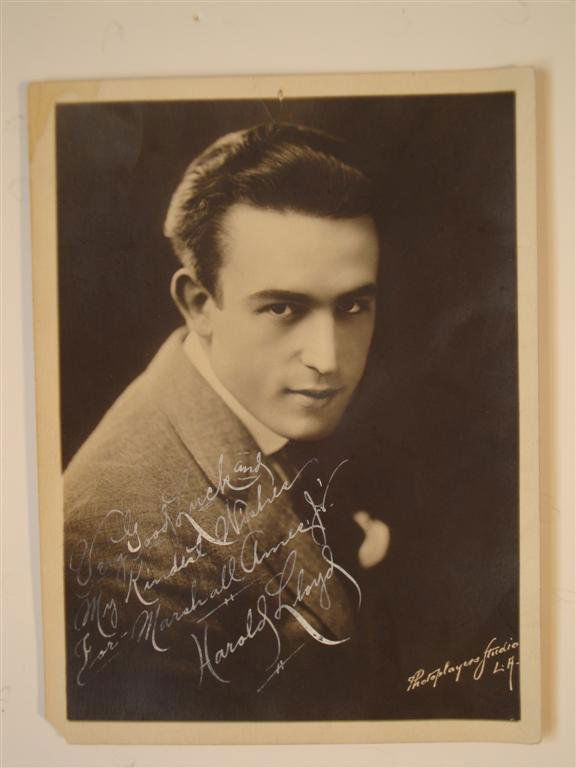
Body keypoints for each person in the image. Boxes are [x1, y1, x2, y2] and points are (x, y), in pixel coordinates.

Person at [64, 122, 399, 721]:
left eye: (352, 306)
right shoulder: (122, 550)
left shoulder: (273, 402)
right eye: (282, 308)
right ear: (199, 305)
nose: (328, 358)